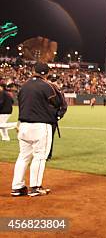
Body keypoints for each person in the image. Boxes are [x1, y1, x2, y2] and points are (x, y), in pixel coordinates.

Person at [10, 62, 66, 196]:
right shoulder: (49, 86)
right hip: (41, 126)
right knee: (40, 157)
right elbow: (61, 104)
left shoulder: (23, 86)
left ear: (33, 70)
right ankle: (35, 187)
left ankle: (17, 187)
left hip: (23, 125)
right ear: (47, 73)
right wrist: (56, 117)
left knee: (23, 156)